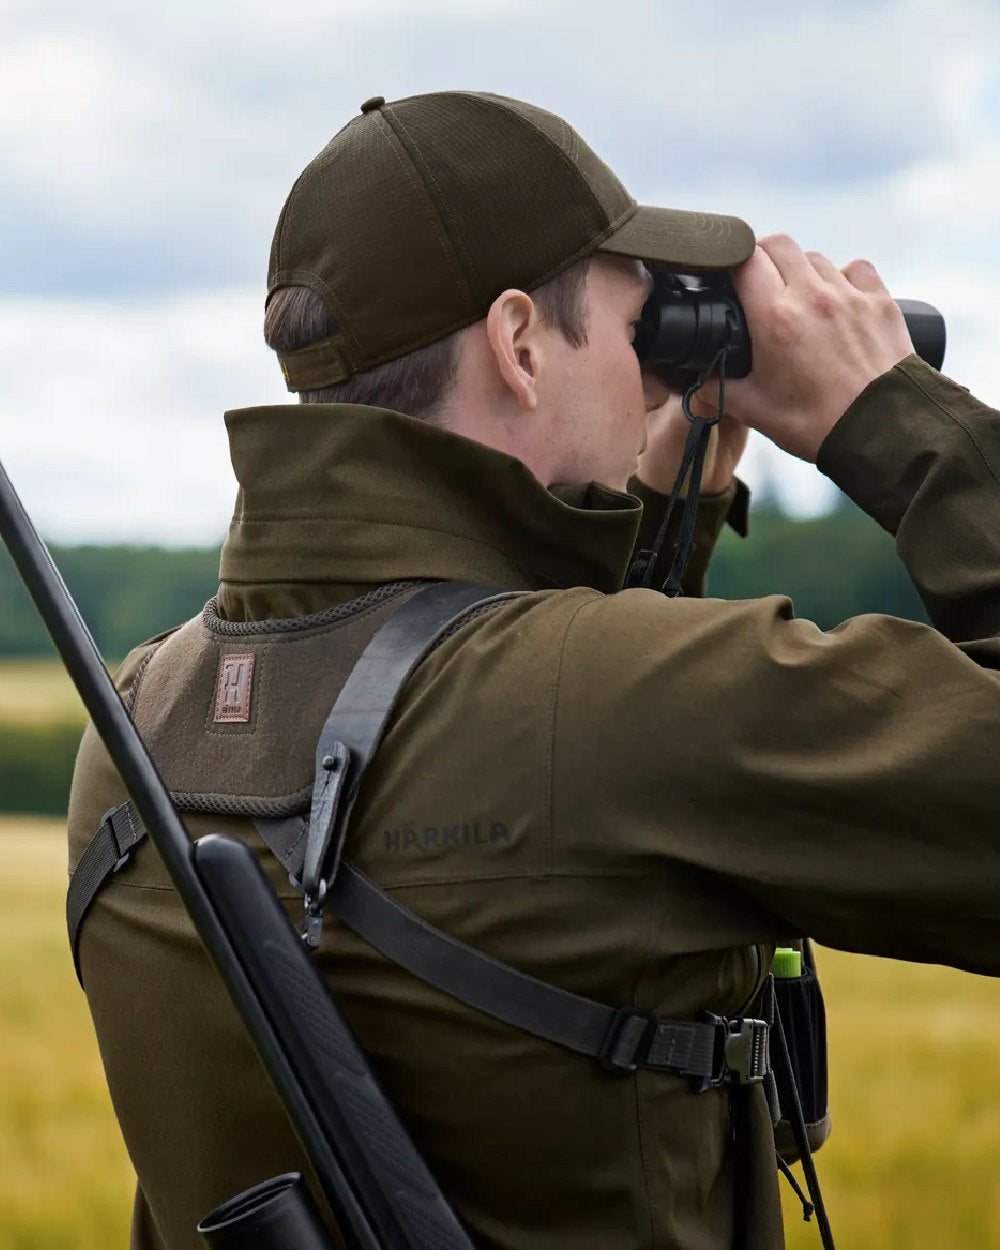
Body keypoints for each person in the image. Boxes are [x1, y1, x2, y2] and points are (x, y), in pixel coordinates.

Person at [66, 90, 1000, 1250]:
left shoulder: (132, 724)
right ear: (518, 344)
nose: (655, 376)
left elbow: (555, 821)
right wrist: (892, 416)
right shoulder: (623, 706)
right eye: (632, 332)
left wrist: (661, 523)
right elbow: (576, 754)